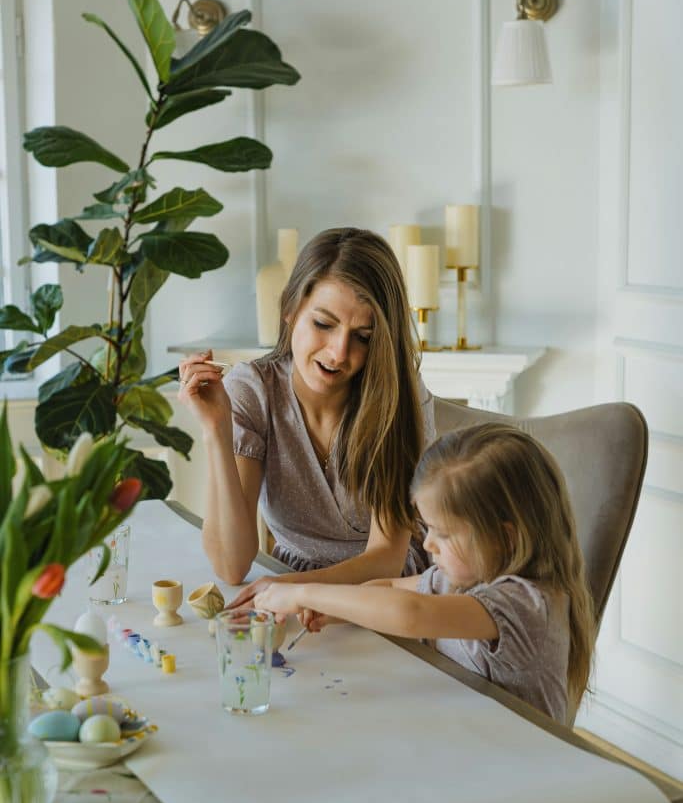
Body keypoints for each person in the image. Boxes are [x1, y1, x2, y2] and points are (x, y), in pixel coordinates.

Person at [253, 423, 596, 723]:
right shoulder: (460, 578)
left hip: (521, 766)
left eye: (443, 534)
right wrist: (336, 611)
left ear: (504, 538)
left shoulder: (525, 605)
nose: (428, 545)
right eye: (427, 528)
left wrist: (303, 592)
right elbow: (389, 587)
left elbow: (410, 613)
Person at [178, 227, 435, 613]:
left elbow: (386, 557)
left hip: (387, 595)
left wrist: (292, 590)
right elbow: (231, 566)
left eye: (363, 336)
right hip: (290, 594)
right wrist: (217, 429)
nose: (338, 352)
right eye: (323, 324)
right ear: (290, 309)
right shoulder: (254, 391)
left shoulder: (399, 394)